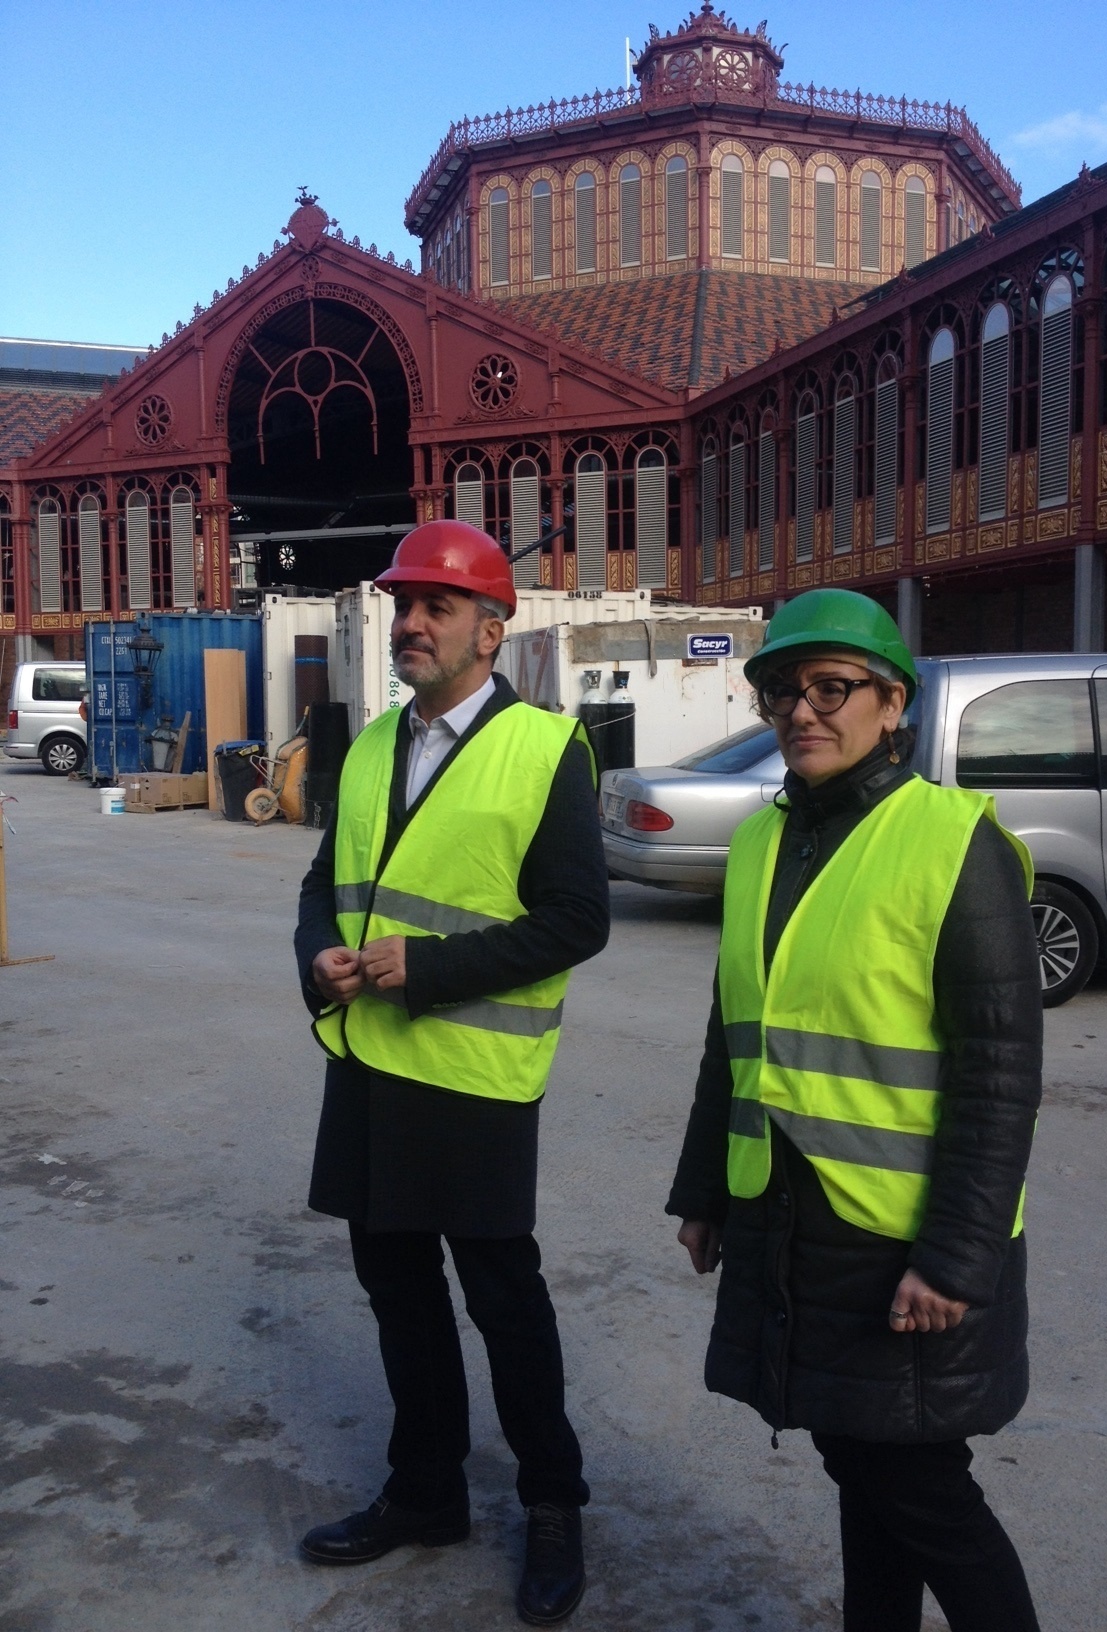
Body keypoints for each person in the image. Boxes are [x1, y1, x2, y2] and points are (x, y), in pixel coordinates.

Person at [667, 589, 1044, 1632]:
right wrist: (706, 1192)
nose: (802, 710)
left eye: (831, 687)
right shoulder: (763, 843)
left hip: (899, 1242)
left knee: (921, 1494)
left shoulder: (951, 844)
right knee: (862, 1464)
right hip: (790, 1217)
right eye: (782, 691)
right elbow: (734, 1034)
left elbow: (1000, 1074)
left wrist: (955, 1257)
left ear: (893, 705)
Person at [294, 520, 608, 1628]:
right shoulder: (372, 743)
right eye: (403, 605)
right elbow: (322, 884)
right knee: (398, 1295)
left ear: (492, 628)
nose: (412, 624)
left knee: (504, 1304)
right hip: (368, 1065)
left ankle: (554, 1504)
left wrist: (426, 968)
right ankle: (427, 1492)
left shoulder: (546, 750)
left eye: (437, 605)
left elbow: (577, 920)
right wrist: (317, 959)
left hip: (474, 1079)